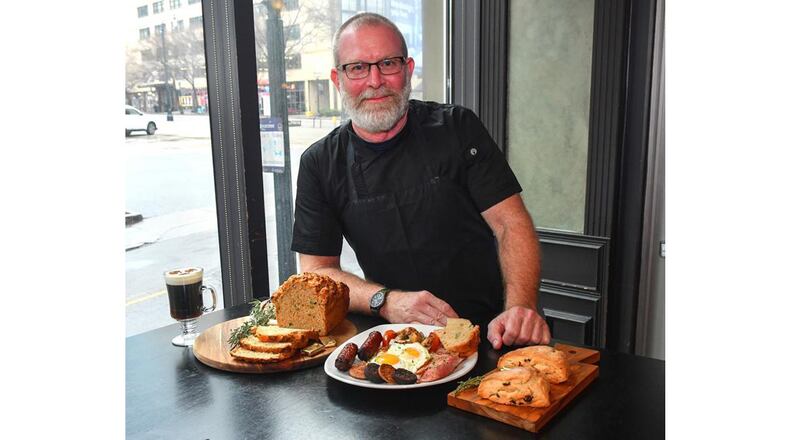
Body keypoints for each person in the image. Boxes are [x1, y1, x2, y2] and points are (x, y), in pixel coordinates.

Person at [291, 13, 550, 349]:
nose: (375, 80)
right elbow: (317, 272)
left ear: (408, 70)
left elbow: (511, 223)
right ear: (337, 79)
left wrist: (520, 307)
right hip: (398, 343)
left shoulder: (458, 128)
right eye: (357, 68)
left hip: (493, 333)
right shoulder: (319, 163)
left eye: (388, 63)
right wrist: (385, 301)